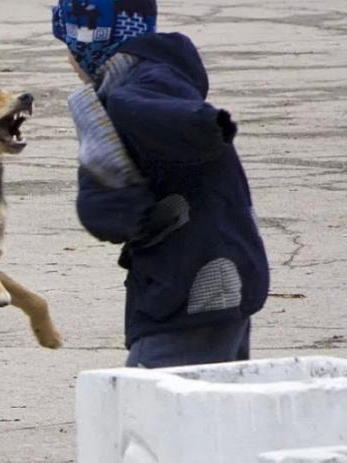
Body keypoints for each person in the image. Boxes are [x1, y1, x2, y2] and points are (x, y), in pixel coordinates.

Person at [51, 0, 270, 368]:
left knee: (150, 414)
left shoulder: (127, 99)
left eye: (68, 47)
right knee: (219, 411)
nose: (68, 60)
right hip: (220, 274)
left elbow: (109, 216)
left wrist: (202, 125)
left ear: (88, 45)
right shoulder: (162, 74)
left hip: (190, 291)